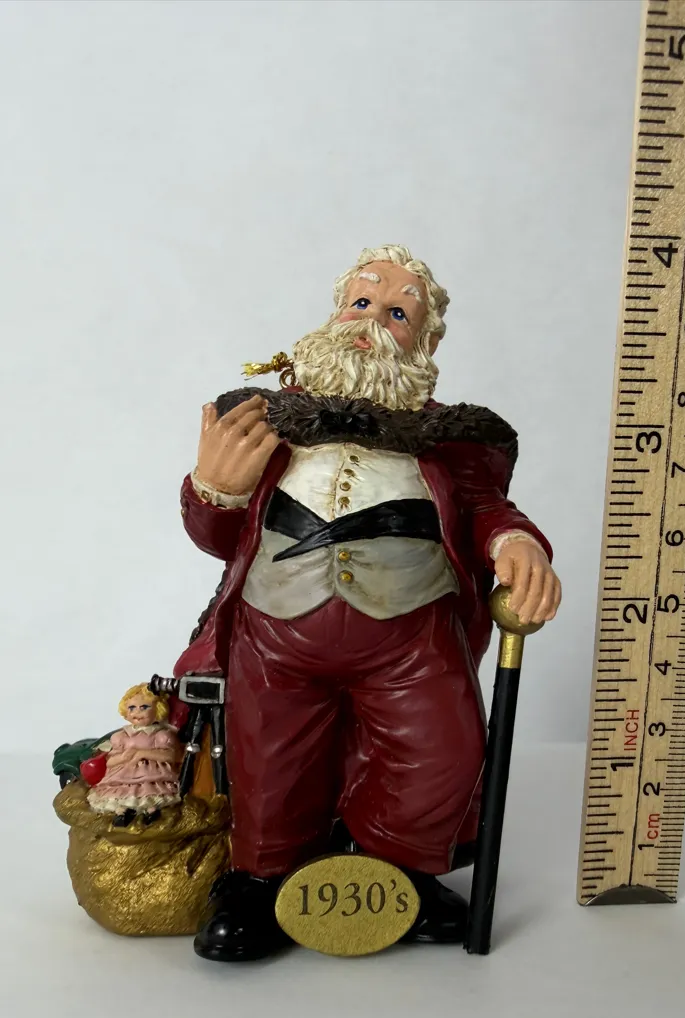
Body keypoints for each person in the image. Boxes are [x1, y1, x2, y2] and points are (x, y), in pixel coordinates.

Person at [173, 245, 562, 961]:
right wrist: (215, 488)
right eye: (362, 302)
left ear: (427, 343)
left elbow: (486, 509)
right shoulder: (268, 422)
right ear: (335, 313)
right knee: (270, 758)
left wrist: (516, 543)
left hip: (413, 638)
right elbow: (218, 538)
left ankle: (390, 871)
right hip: (276, 633)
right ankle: (263, 882)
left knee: (442, 752)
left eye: (398, 312)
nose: (373, 320)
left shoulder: (447, 438)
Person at [86, 684, 182, 827]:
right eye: (132, 708)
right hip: (124, 774)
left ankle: (151, 811)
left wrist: (143, 753)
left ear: (158, 709)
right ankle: (123, 812)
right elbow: (110, 761)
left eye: (144, 707)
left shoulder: (161, 735)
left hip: (153, 774)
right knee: (122, 793)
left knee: (150, 793)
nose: (137, 712)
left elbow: (172, 757)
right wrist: (123, 758)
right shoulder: (121, 736)